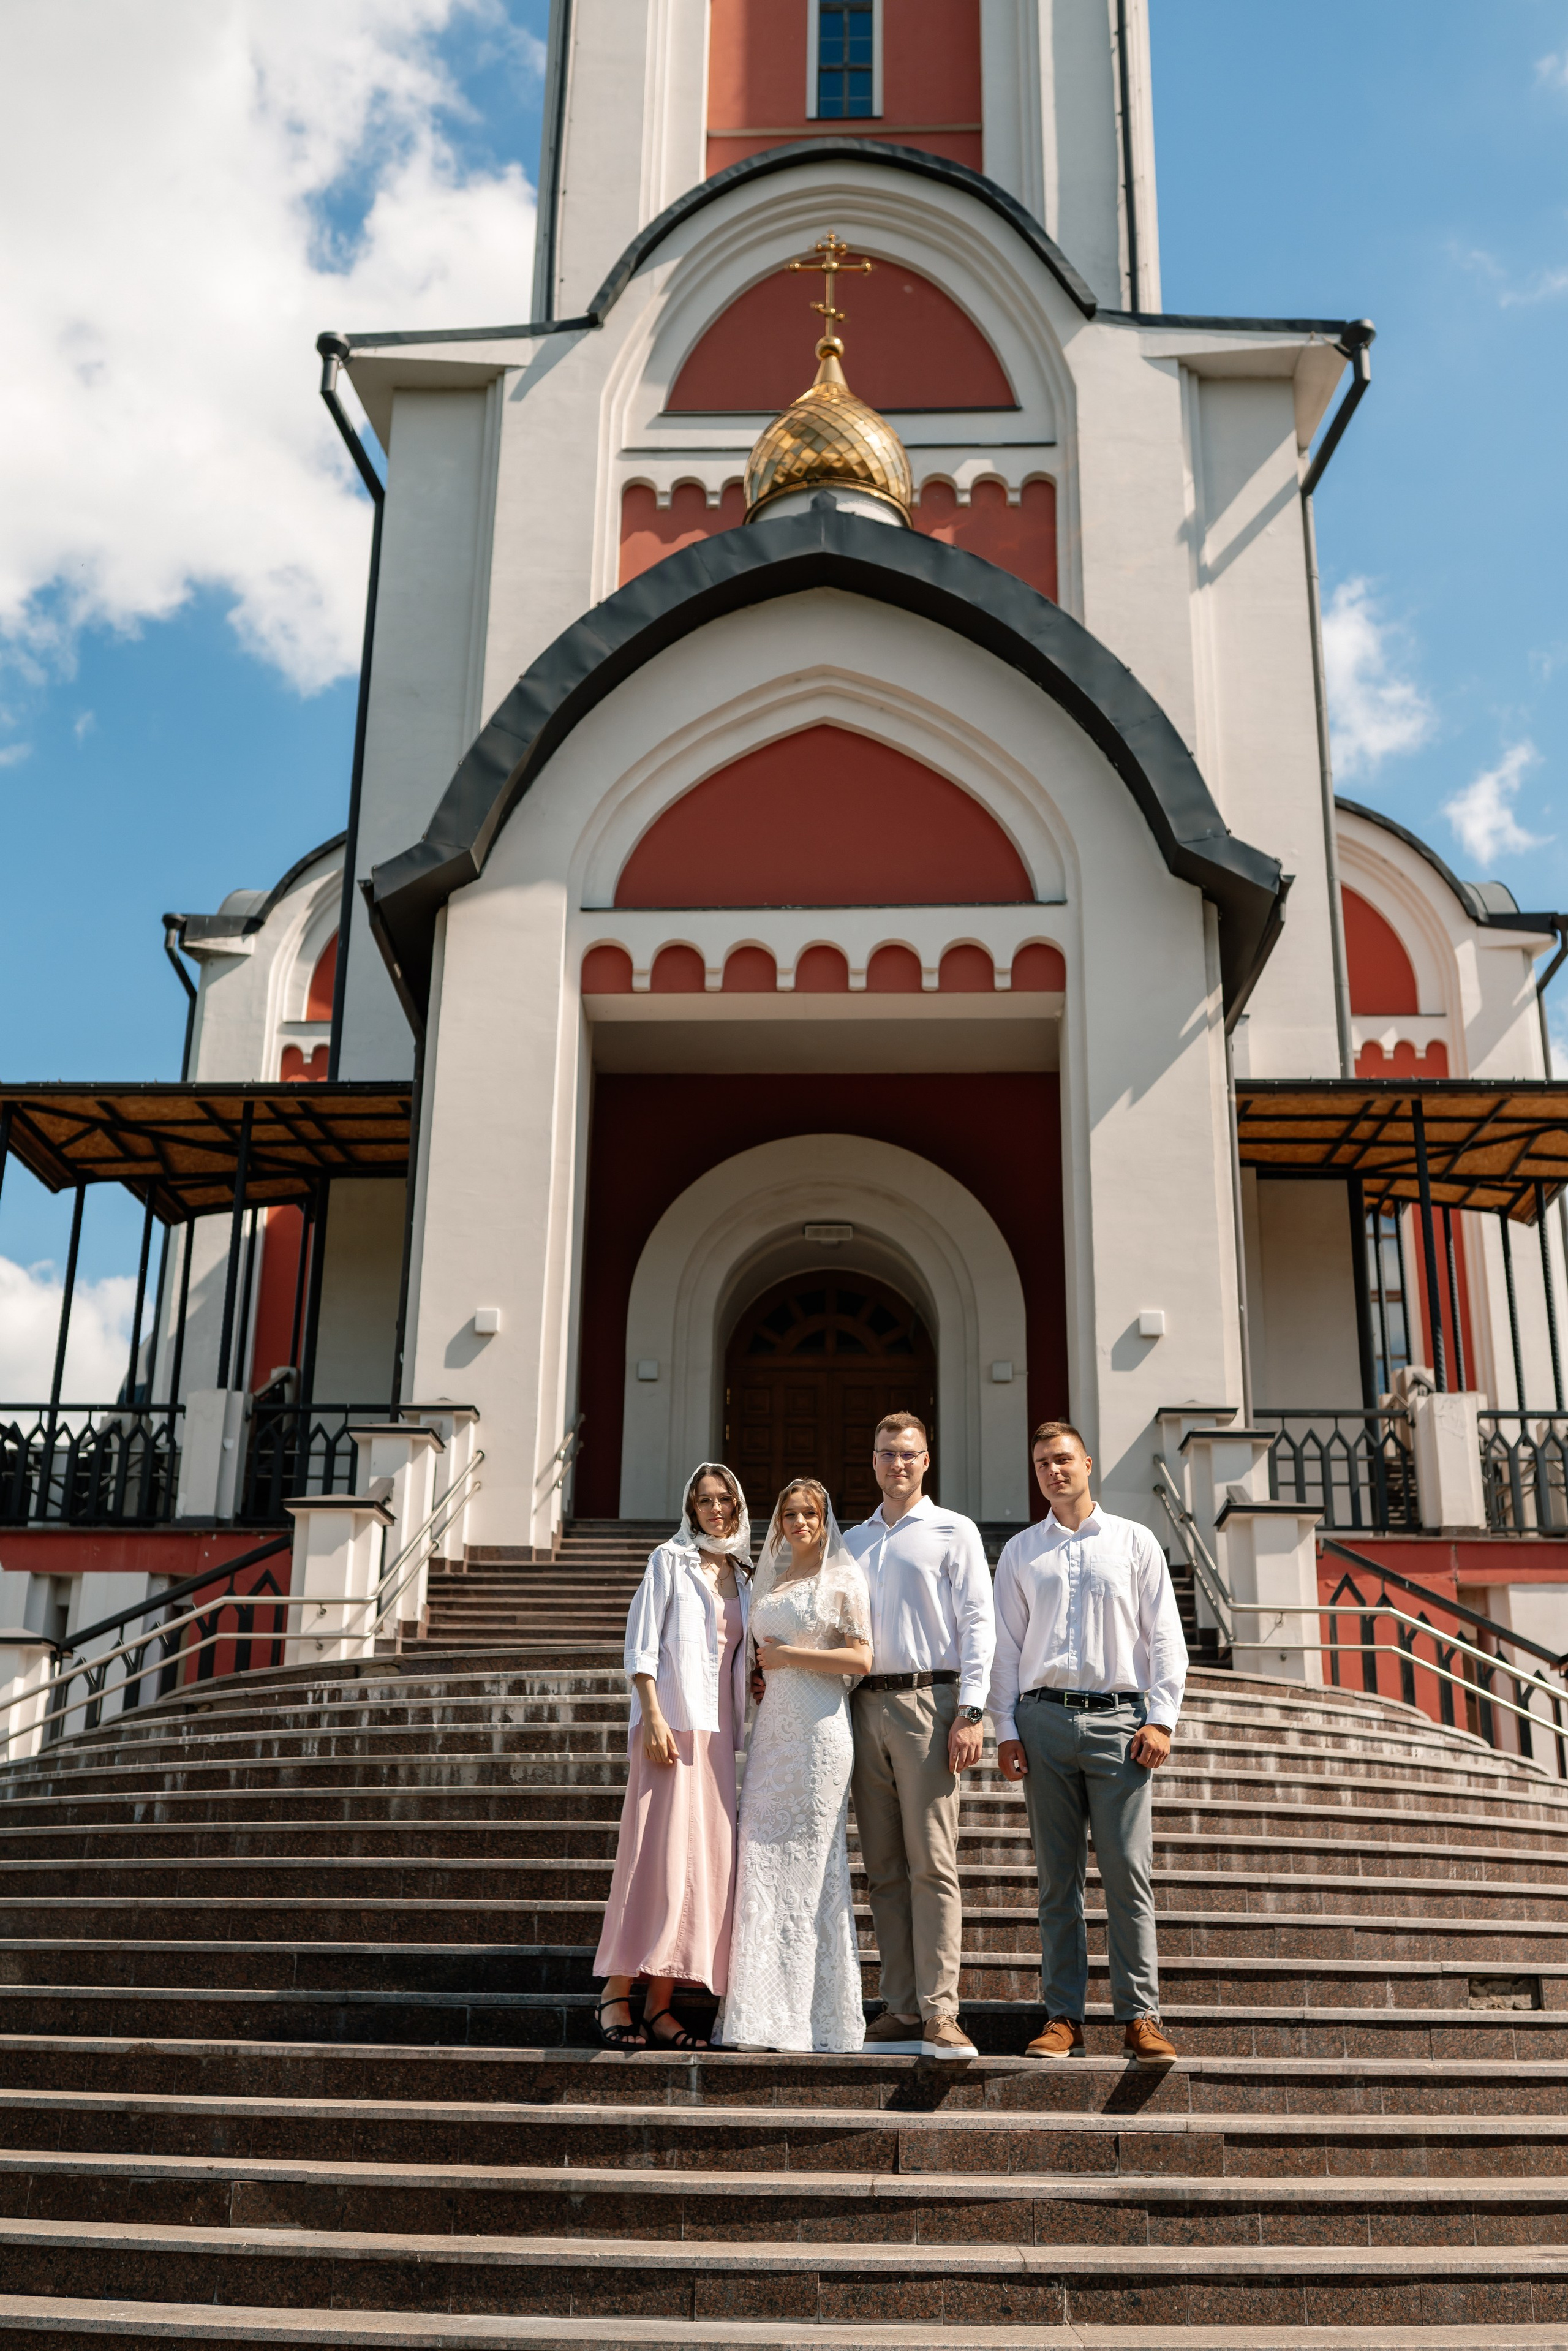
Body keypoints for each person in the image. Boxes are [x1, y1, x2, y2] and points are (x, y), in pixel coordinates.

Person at [990, 1421, 1187, 2067]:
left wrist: (1162, 1720)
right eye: (1042, 1463)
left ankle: (1140, 2016)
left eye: (1063, 1459)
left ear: (1088, 1464)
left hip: (1121, 1725)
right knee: (1057, 1882)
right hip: (1042, 1721)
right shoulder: (1022, 1551)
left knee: (1128, 1875)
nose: (1053, 1471)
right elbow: (1006, 1648)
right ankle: (1062, 2018)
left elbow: (1165, 1635)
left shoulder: (1134, 1541)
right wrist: (1005, 1728)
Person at [843, 1413, 995, 2059]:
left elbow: (979, 1620)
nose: (897, 1464)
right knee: (882, 1869)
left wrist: (972, 1709)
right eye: (887, 1453)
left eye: (908, 1454)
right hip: (861, 1705)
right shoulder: (851, 1540)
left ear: (926, 1460)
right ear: (873, 1460)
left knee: (932, 1863)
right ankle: (901, 2007)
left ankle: (941, 2011)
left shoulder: (953, 1530)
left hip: (929, 1703)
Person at [594, 1463, 752, 2050]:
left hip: (716, 1736)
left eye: (725, 1500)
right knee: (654, 1856)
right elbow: (641, 1644)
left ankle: (660, 2005)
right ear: (691, 1509)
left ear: (738, 1506)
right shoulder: (669, 1560)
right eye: (705, 1501)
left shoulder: (744, 1576)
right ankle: (616, 1993)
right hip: (669, 1726)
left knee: (699, 1864)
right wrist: (653, 1715)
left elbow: (737, 1654)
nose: (716, 1510)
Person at [718, 1479, 873, 2052]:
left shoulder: (844, 1578)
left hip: (820, 1734)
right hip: (773, 1734)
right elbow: (754, 1652)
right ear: (779, 1522)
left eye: (810, 1513)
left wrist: (788, 1657)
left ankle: (813, 2019)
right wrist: (761, 1675)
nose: (800, 1522)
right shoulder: (770, 1580)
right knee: (759, 1858)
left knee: (812, 1869)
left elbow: (861, 1658)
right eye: (790, 1513)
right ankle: (757, 2014)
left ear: (825, 1519)